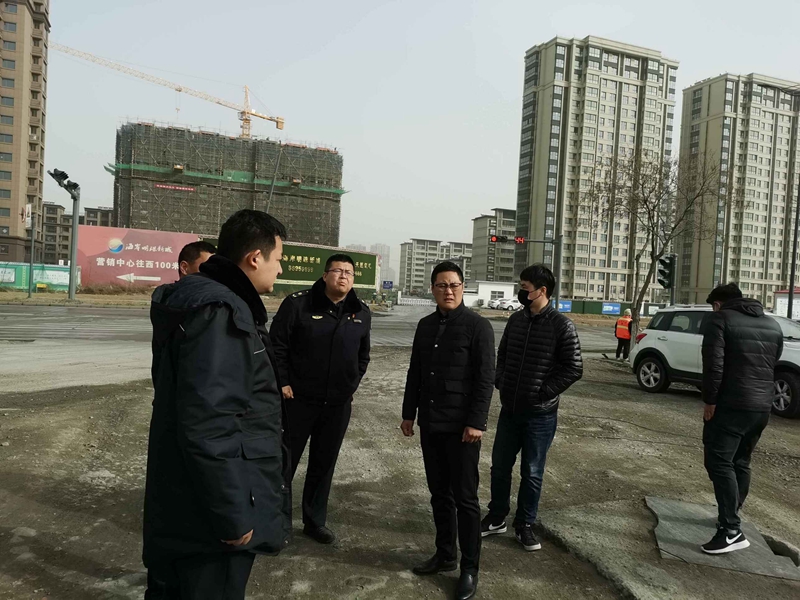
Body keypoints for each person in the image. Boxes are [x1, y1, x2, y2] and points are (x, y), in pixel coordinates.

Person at [144, 210, 291, 600]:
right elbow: (210, 422)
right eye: (278, 259)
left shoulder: (199, 299)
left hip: (185, 497)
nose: (279, 269)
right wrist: (233, 513)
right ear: (255, 258)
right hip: (211, 523)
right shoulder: (222, 312)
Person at [401, 261, 495, 600]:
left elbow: (485, 378)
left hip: (463, 429)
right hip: (431, 423)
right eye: (442, 285)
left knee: (466, 500)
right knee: (439, 494)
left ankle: (470, 568)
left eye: (454, 285)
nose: (448, 291)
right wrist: (408, 413)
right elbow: (416, 371)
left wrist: (477, 421)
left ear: (463, 287)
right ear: (433, 289)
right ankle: (445, 555)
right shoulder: (425, 326)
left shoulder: (478, 326)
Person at [270, 253, 371, 545]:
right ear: (325, 275)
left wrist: (350, 385)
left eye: (349, 272)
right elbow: (277, 346)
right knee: (284, 463)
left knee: (323, 464)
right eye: (338, 271)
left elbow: (363, 356)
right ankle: (276, 523)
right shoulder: (298, 304)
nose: (344, 276)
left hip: (337, 404)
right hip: (298, 400)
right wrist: (283, 382)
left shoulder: (361, 312)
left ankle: (314, 522)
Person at [481, 264, 582, 553]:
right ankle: (496, 517)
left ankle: (524, 524)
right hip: (510, 410)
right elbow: (502, 354)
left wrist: (542, 392)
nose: (521, 292)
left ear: (542, 291)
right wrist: (501, 380)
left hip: (540, 415)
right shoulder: (516, 320)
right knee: (500, 466)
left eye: (525, 287)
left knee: (532, 471)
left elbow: (574, 368)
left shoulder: (562, 326)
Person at [700, 283, 783, 555]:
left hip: (731, 405)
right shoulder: (772, 325)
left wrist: (710, 401)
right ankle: (731, 514)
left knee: (719, 462)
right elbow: (772, 361)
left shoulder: (719, 320)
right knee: (741, 461)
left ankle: (730, 530)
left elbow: (714, 364)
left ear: (717, 304)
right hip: (761, 407)